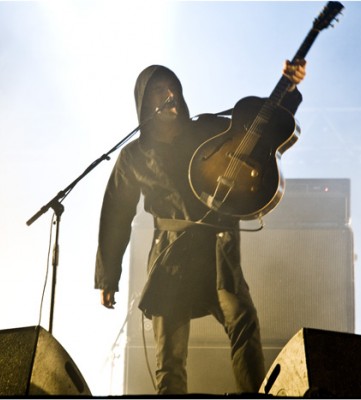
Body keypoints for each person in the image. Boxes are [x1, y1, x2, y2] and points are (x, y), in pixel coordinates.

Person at [95, 60, 306, 394]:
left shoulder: (208, 129)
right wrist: (109, 277)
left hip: (217, 252)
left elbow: (258, 128)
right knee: (170, 358)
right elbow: (116, 214)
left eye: (171, 89)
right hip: (171, 259)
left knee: (244, 323)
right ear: (144, 104)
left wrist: (288, 90)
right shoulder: (134, 156)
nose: (168, 96)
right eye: (157, 92)